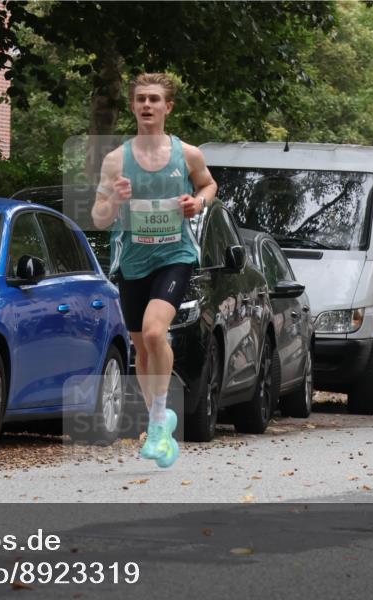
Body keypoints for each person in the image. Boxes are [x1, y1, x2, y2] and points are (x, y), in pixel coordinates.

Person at [91, 72, 217, 468]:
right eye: (141, 99)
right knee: (141, 349)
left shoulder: (188, 154)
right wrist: (114, 197)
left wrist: (198, 205)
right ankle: (159, 419)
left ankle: (159, 423)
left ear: (168, 107)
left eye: (154, 99)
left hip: (174, 255)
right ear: (133, 107)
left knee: (153, 331)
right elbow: (98, 218)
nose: (147, 105)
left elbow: (208, 186)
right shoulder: (116, 159)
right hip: (132, 259)